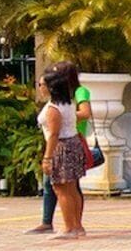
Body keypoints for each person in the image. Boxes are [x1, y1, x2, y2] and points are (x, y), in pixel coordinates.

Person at [35, 67, 94, 239]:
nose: (40, 88)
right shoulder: (68, 103)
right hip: (72, 143)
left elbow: (54, 134)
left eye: (42, 85)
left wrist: (47, 158)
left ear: (51, 87)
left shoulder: (54, 108)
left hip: (62, 147)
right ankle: (77, 225)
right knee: (71, 188)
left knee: (61, 188)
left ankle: (70, 227)